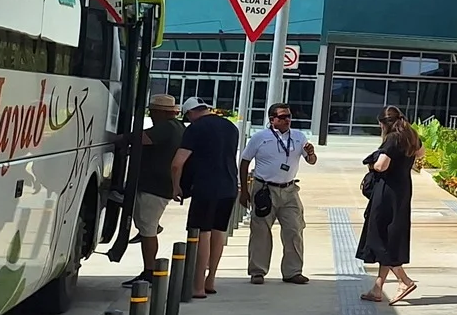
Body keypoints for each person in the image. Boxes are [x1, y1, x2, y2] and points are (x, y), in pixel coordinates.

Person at [239, 102, 317, 285]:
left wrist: (311, 154)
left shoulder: (298, 137)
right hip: (264, 189)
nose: (287, 120)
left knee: (294, 230)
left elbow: (311, 161)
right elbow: (244, 162)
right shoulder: (260, 138)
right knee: (260, 231)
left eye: (289, 116)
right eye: (282, 117)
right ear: (272, 119)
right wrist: (244, 190)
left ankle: (293, 271)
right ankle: (257, 271)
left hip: (289, 190)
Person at [173, 97, 240, 299]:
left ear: (190, 113)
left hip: (205, 187)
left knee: (202, 232)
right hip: (229, 185)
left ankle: (198, 285)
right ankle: (211, 280)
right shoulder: (231, 127)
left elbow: (178, 162)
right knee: (218, 231)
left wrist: (176, 185)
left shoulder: (195, 129)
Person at [357, 108, 420, 304]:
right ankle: (377, 289)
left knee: (378, 237)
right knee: (390, 234)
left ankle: (404, 280)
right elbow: (421, 152)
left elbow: (381, 166)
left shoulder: (393, 138)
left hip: (387, 192)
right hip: (402, 190)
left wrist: (373, 163)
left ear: (385, 123)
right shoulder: (410, 135)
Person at [128, 94, 185, 278]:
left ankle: (149, 270)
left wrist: (115, 138)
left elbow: (141, 139)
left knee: (148, 230)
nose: (151, 114)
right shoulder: (178, 127)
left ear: (161, 112)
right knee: (145, 224)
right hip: (160, 185)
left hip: (154, 187)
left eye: (152, 111)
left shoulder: (165, 128)